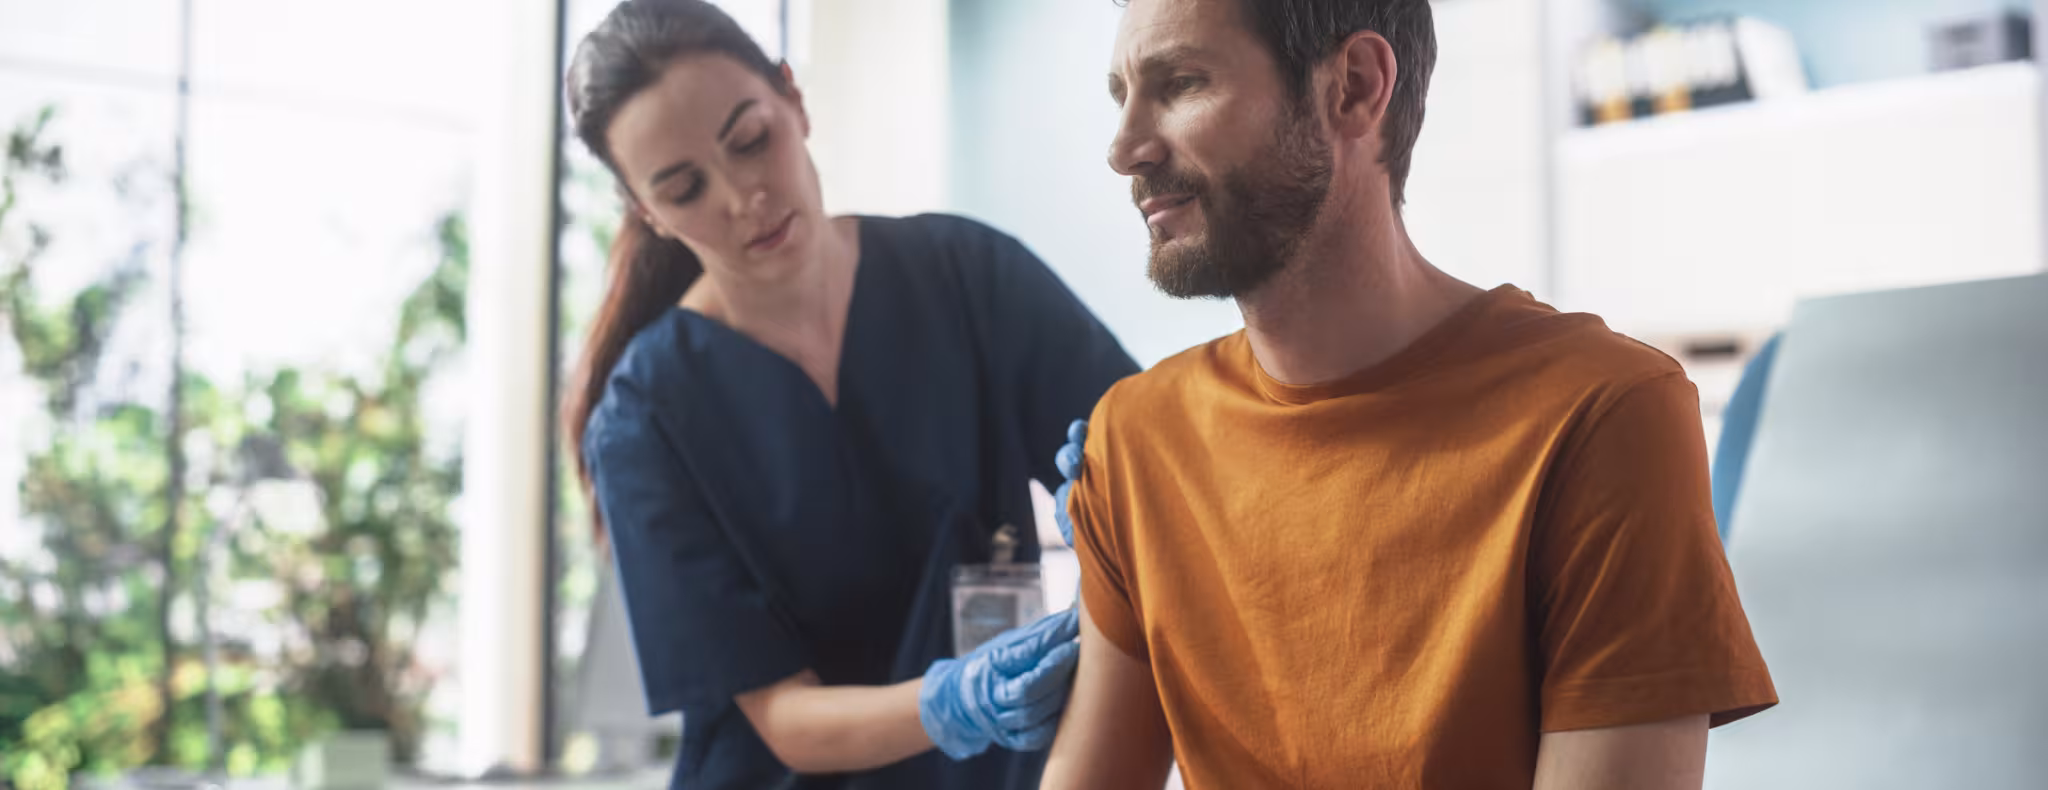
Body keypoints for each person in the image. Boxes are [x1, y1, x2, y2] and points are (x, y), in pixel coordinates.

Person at [1042, 0, 1778, 788]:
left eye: (1181, 84)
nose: (1125, 149)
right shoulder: (1135, 439)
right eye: (1121, 96)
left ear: (1354, 87)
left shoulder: (1598, 416)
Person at [560, 2, 1138, 788]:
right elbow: (785, 720)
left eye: (750, 141)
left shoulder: (969, 278)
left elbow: (1155, 474)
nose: (742, 197)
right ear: (647, 213)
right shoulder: (644, 420)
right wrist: (952, 703)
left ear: (793, 101)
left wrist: (1130, 503)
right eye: (687, 188)